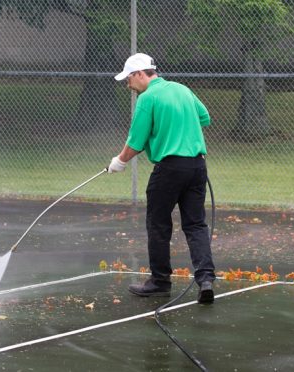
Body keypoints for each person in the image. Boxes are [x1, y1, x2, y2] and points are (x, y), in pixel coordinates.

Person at [107, 53, 216, 304]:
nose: (128, 85)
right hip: (197, 166)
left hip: (169, 169)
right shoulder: (182, 89)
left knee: (158, 224)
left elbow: (135, 142)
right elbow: (204, 118)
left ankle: (160, 281)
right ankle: (206, 279)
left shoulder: (148, 99)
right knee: (196, 224)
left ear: (139, 74)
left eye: (129, 79)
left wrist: (120, 162)